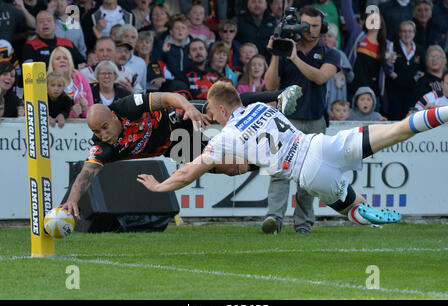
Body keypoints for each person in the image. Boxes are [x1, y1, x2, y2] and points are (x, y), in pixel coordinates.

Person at [137, 80, 448, 228]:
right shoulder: (260, 106)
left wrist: (159, 186)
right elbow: (280, 106)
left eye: (214, 112)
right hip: (323, 144)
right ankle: (444, 112)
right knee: (398, 130)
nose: (215, 118)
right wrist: (285, 98)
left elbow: (188, 171)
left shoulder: (224, 137)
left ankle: (363, 210)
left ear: (220, 108)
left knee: (349, 206)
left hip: (308, 172)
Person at [60, 91, 249, 219]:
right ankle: (267, 160)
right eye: (97, 132)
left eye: (105, 127)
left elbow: (167, 97)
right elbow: (85, 174)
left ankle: (269, 101)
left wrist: (189, 108)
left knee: (216, 110)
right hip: (175, 146)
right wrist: (72, 200)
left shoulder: (127, 106)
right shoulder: (102, 148)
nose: (103, 135)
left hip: (174, 118)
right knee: (231, 168)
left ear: (113, 116)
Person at [262, 5, 339, 234]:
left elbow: (319, 77)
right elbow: (270, 85)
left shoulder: (330, 53)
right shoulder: (286, 50)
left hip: (315, 120)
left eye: (315, 26)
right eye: (306, 25)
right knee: (279, 173)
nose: (310, 30)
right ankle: (273, 219)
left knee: (310, 176)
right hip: (286, 121)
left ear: (322, 27)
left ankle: (303, 223)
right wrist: (277, 54)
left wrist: (294, 57)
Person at [341, 0, 395, 112]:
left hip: (373, 95)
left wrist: (389, 64)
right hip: (353, 91)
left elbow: (388, 71)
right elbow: (347, 11)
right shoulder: (357, 35)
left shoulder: (387, 44)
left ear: (381, 23)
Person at [385, 20, 425, 120]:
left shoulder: (420, 50)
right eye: (404, 31)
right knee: (395, 121)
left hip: (412, 93)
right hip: (394, 93)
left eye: (410, 31)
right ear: (399, 33)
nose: (407, 34)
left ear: (414, 33)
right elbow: (385, 67)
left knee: (410, 122)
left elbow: (423, 69)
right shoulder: (392, 47)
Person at [22, 10, 86, 68]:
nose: (45, 23)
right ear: (36, 26)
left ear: (55, 25)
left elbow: (81, 64)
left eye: (49, 20)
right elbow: (29, 73)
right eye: (41, 21)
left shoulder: (68, 43)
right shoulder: (30, 46)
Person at [47, 46, 94, 118]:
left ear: (70, 61)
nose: (62, 60)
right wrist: (72, 114)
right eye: (58, 58)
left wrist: (84, 109)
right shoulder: (45, 80)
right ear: (52, 64)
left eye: (65, 58)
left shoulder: (81, 78)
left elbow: (91, 112)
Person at [321, 23, 354, 112]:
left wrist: (344, 71)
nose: (326, 38)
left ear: (335, 39)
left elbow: (351, 77)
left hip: (338, 93)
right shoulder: (319, 53)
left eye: (330, 36)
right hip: (323, 93)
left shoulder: (341, 55)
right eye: (324, 36)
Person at [152, 14, 193, 80]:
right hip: (170, 82)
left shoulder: (194, 46)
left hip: (191, 81)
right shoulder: (162, 45)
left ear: (188, 31)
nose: (180, 30)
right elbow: (154, 63)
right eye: (177, 28)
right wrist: (163, 52)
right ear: (171, 32)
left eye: (183, 28)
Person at [118, 24, 148, 93]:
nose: (129, 40)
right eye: (126, 36)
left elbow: (143, 90)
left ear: (136, 41)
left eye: (133, 37)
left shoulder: (141, 63)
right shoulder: (111, 60)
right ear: (119, 38)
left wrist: (132, 92)